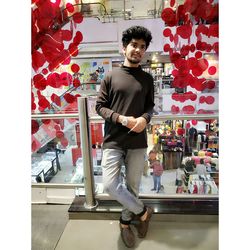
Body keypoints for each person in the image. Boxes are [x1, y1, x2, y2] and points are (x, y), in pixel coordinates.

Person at [95, 26, 154, 248]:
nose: (137, 49)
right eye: (133, 45)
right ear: (124, 48)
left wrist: (145, 119)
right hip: (113, 139)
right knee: (110, 184)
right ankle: (143, 212)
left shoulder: (147, 79)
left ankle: (125, 222)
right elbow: (100, 107)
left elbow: (150, 106)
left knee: (132, 186)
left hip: (138, 142)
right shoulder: (111, 76)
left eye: (142, 47)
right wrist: (121, 119)